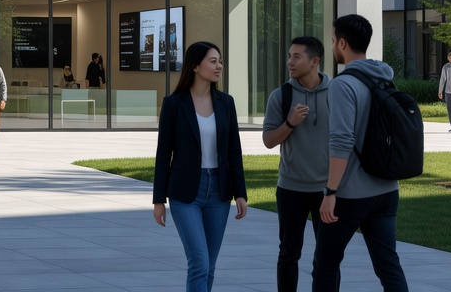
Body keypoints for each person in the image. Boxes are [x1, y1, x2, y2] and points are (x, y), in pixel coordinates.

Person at [315, 14, 408, 292]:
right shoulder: (384, 78)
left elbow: (342, 141)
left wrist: (330, 193)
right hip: (387, 189)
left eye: (333, 41)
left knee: (326, 264)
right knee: (387, 264)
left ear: (342, 43)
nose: (332, 46)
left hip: (350, 195)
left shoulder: (343, 84)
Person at [153, 41, 248, 292]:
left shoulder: (226, 102)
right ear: (195, 66)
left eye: (220, 61)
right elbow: (163, 154)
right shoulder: (174, 104)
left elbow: (233, 151)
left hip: (219, 191)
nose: (219, 66)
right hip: (186, 193)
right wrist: (158, 200)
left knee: (210, 266)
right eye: (213, 61)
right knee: (199, 262)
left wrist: (240, 193)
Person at [261, 36, 333, 292]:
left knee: (327, 258)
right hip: (291, 188)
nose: (289, 62)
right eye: (289, 56)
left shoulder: (335, 93)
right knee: (289, 254)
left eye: (296, 56)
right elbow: (269, 141)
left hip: (328, 191)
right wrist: (290, 123)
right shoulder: (281, 95)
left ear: (315, 61)